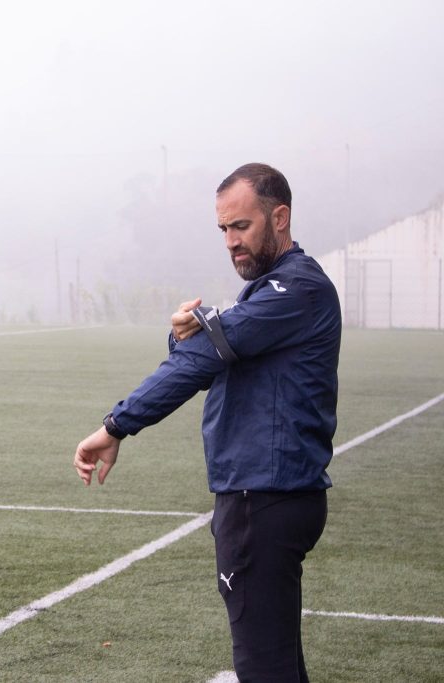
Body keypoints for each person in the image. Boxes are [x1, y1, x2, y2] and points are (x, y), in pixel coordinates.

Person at [74, 163, 341, 682]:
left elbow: (202, 362)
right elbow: (208, 355)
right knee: (278, 665)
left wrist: (113, 427)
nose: (230, 241)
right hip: (272, 496)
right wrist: (184, 337)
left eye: (240, 226)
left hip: (263, 500)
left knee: (264, 668)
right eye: (223, 230)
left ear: (279, 217)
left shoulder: (295, 290)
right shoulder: (273, 291)